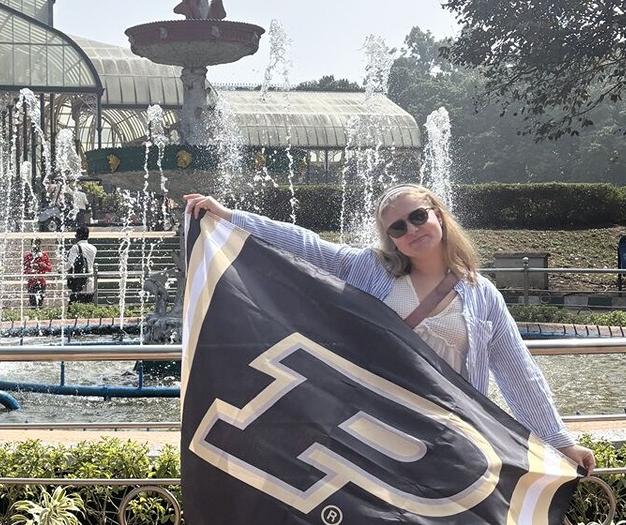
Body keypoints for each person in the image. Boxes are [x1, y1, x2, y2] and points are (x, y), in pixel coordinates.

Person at [183, 184, 597, 475]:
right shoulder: (370, 269)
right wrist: (230, 216)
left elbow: (516, 370)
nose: (411, 229)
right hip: (376, 425)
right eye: (397, 227)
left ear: (439, 215)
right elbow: (305, 244)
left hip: (452, 433)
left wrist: (558, 441)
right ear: (390, 239)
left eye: (418, 217)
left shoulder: (480, 293)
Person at [65, 226, 98, 305]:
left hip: (79, 283)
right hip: (90, 282)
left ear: (79, 236)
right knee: (87, 307)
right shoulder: (93, 248)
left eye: (76, 234)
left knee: (73, 308)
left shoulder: (75, 247)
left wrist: (61, 270)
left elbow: (70, 264)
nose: (75, 236)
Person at [23, 240, 52, 307]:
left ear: (39, 244)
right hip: (32, 282)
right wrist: (31, 268)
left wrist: (43, 265)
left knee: (40, 303)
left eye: (37, 244)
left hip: (41, 282)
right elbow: (25, 271)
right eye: (34, 244)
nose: (36, 246)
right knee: (33, 303)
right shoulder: (28, 256)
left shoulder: (44, 255)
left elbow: (49, 269)